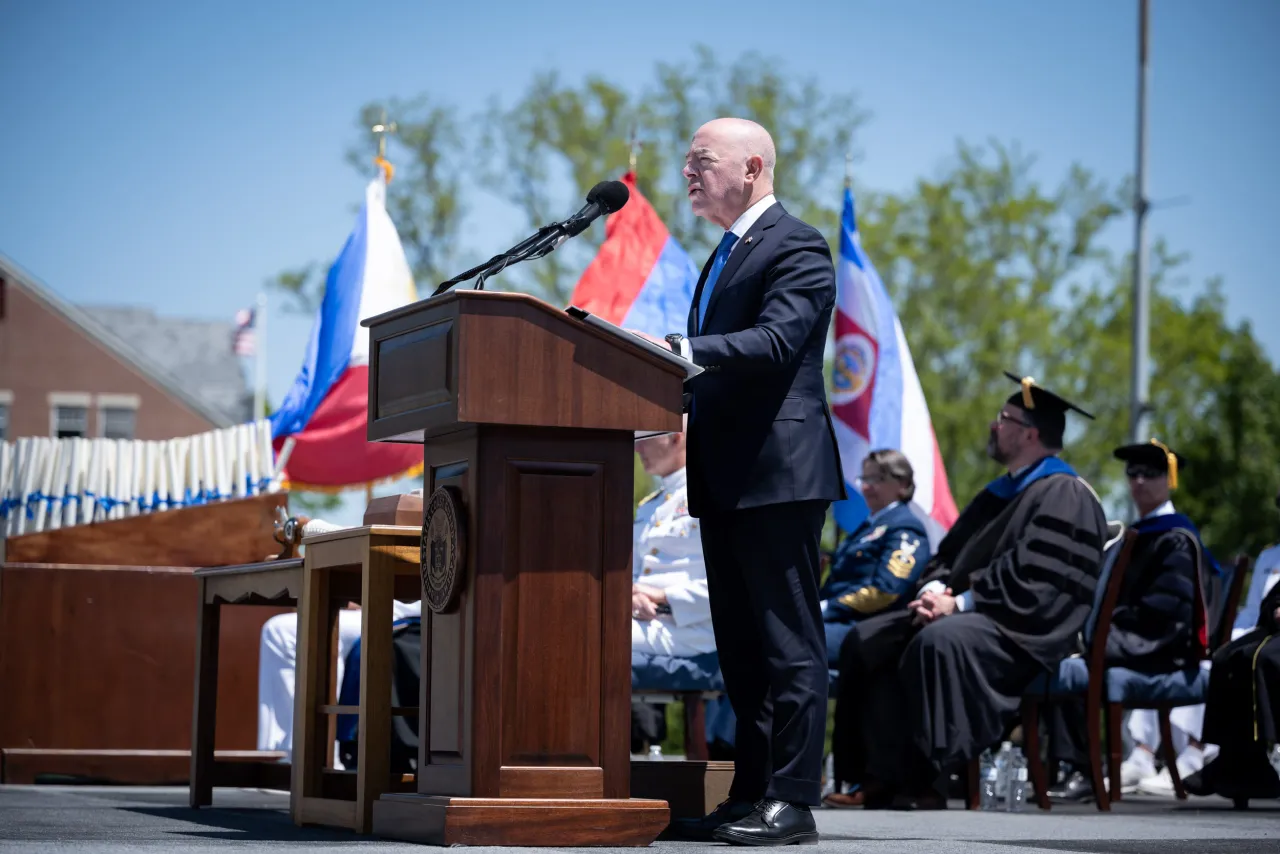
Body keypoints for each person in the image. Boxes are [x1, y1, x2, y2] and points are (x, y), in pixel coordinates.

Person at [640, 117, 845, 845]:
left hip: (779, 473)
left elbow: (778, 342)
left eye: (702, 160)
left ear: (753, 167)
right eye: (686, 161)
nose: (688, 173)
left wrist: (679, 350)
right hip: (726, 476)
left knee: (789, 644)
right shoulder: (723, 256)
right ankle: (751, 794)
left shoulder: (797, 244)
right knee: (742, 652)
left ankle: (794, 800)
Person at [837, 373, 1106, 809]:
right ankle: (876, 778)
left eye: (1004, 418)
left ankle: (929, 781)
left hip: (1024, 632)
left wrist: (958, 602)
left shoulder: (1064, 494)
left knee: (937, 641)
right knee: (867, 639)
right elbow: (949, 557)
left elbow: (1039, 584)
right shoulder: (998, 493)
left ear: (1030, 433)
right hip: (974, 615)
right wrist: (935, 589)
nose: (994, 425)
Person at [1045, 440, 1216, 801]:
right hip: (1127, 641)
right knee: (1051, 650)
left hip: (1162, 651)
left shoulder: (1176, 538)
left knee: (1072, 667)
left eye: (1150, 473)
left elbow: (1168, 615)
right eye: (1132, 473)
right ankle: (1068, 764)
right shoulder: (1135, 535)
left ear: (1169, 479)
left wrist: (1101, 640)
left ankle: (1081, 768)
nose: (1139, 481)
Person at [821, 450, 931, 808]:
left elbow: (886, 589)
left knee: (785, 650)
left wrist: (825, 608)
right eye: (863, 479)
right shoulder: (867, 527)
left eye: (875, 480)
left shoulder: (905, 527)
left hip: (862, 631)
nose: (865, 487)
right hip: (838, 627)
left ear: (901, 485)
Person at [627, 427, 733, 755]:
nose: (637, 449)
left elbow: (728, 578)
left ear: (676, 436)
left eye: (643, 438)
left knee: (581, 641)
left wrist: (662, 598)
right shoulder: (652, 504)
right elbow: (633, 572)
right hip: (645, 622)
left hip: (691, 631)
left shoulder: (714, 493)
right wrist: (630, 595)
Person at [1185, 489, 1280, 802]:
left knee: (1261, 658)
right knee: (1228, 656)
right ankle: (1238, 762)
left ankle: (1248, 764)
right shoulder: (1272, 554)